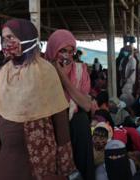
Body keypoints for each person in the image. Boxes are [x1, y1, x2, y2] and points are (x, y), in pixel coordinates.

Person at [0, 19, 76, 180]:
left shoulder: (46, 73)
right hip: (6, 165)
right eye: (4, 38)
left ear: (27, 38)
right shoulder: (1, 74)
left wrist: (65, 172)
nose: (6, 43)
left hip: (41, 167)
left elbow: (61, 125)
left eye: (11, 37)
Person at [45, 29, 95, 179]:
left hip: (76, 129)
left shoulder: (80, 70)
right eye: (62, 50)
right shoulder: (42, 71)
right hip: (51, 126)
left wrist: (62, 76)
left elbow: (86, 105)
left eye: (70, 51)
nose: (66, 55)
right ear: (53, 49)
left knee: (81, 121)